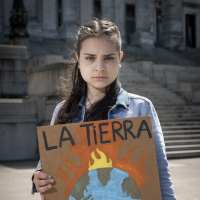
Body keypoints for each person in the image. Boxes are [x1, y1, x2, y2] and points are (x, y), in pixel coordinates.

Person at [32, 18, 176, 200]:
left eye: (108, 58)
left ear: (120, 58)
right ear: (77, 58)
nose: (99, 68)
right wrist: (39, 178)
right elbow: (45, 167)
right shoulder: (62, 111)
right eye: (90, 58)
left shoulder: (141, 108)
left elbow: (161, 175)